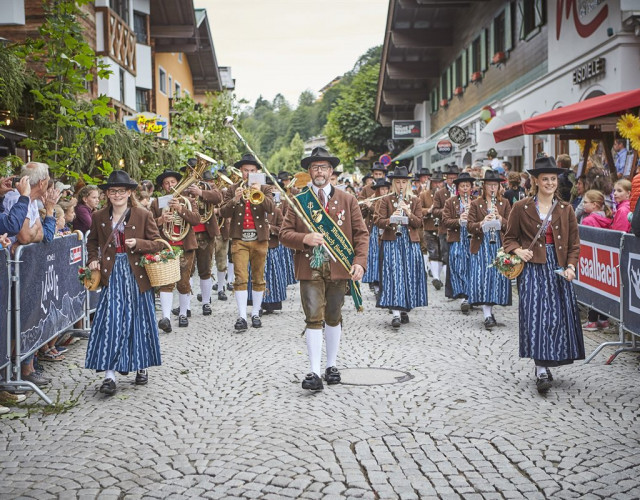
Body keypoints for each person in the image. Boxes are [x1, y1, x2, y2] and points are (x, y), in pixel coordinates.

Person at [279, 147, 368, 391]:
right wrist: (304, 238)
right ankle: (314, 371)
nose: (320, 172)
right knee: (314, 317)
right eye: (315, 167)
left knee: (333, 316)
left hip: (339, 266)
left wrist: (359, 262)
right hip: (310, 266)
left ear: (331, 171)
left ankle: (331, 365)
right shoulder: (298, 202)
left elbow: (361, 234)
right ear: (309, 172)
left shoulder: (348, 200)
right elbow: (284, 234)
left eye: (324, 167)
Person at [503, 157, 584, 393]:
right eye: (544, 179)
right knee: (536, 316)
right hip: (532, 270)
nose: (549, 183)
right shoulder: (521, 207)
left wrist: (571, 266)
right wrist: (518, 250)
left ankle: (552, 358)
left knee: (556, 318)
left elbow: (574, 244)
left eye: (552, 179)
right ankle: (540, 369)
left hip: (558, 270)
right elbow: (508, 238)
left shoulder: (566, 209)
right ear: (536, 182)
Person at [85, 170, 165, 396]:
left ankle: (141, 366)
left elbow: (158, 243)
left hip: (136, 275)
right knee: (111, 321)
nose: (117, 195)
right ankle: (109, 376)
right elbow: (92, 242)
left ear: (129, 192)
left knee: (139, 321)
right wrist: (93, 260)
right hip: (112, 276)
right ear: (107, 194)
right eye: (112, 191)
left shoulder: (142, 214)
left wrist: (138, 243)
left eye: (121, 191)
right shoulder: (99, 216)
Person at [219, 153, 275, 332]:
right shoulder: (232, 189)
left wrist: (259, 191)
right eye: (245, 171)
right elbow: (223, 213)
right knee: (240, 278)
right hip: (239, 239)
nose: (248, 174)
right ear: (241, 172)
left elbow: (271, 208)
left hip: (260, 239)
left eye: (252, 170)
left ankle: (256, 313)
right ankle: (242, 316)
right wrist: (235, 199)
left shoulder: (265, 188)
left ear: (257, 171)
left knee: (258, 277)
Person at [373, 166, 427, 328]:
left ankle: (404, 308)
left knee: (408, 274)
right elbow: (378, 220)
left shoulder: (415, 200)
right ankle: (395, 312)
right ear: (393, 183)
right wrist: (390, 219)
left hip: (410, 243)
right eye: (398, 182)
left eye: (404, 182)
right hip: (391, 242)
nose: (401, 185)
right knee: (393, 274)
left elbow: (419, 223)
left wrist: (408, 213)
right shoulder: (386, 200)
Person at [150, 169, 201, 331]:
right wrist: (161, 219)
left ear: (178, 183)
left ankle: (183, 313)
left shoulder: (188, 200)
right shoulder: (157, 202)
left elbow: (196, 220)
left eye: (172, 182)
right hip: (166, 246)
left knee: (184, 282)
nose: (170, 185)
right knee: (166, 282)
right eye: (166, 183)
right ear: (162, 186)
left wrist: (180, 209)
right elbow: (149, 225)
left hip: (185, 246)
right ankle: (165, 317)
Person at [467, 170, 512, 329]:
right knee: (483, 277)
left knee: (496, 279)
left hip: (498, 245)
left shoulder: (504, 203)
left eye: (495, 185)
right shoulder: (476, 203)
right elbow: (469, 226)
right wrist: (481, 222)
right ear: (484, 186)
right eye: (489, 185)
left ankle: (490, 310)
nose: (492, 188)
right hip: (481, 245)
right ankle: (486, 314)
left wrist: (500, 218)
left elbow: (511, 227)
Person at [184, 167, 223, 316]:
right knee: (187, 271)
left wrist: (200, 193)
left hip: (206, 234)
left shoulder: (209, 187)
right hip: (189, 234)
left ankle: (206, 302)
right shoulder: (183, 187)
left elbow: (218, 197)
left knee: (205, 270)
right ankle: (185, 306)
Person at [442, 172, 476, 312]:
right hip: (457, 238)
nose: (465, 188)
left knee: (472, 266)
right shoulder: (450, 202)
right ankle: (463, 296)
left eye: (467, 186)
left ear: (471, 187)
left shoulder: (476, 202)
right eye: (462, 186)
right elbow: (445, 221)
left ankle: (472, 295)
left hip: (472, 239)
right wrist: (459, 220)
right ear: (457, 188)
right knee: (458, 266)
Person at [431, 164, 459, 291]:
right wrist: (447, 211)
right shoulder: (440, 193)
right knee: (446, 256)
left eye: (454, 178)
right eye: (450, 178)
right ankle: (449, 283)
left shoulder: (463, 191)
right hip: (445, 229)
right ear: (446, 178)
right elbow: (435, 211)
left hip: (461, 229)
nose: (452, 181)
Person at [361, 178, 390, 295]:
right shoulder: (374, 199)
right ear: (377, 191)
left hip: (386, 230)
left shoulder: (389, 200)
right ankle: (376, 284)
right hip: (374, 231)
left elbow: (381, 214)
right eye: (382, 189)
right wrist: (365, 205)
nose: (384, 191)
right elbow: (362, 214)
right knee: (374, 256)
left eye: (386, 189)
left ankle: (383, 283)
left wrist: (371, 207)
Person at [420, 170, 444, 284]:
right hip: (429, 226)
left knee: (442, 253)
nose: (437, 185)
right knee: (433, 251)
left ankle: (438, 276)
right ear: (431, 182)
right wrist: (429, 210)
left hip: (443, 227)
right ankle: (436, 278)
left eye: (440, 182)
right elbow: (419, 210)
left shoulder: (446, 195)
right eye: (435, 182)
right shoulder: (424, 194)